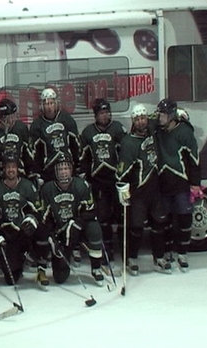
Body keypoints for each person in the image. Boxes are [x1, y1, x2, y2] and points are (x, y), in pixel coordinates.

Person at [115, 104, 171, 275]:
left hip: (155, 190)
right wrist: (123, 190)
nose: (141, 122)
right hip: (139, 192)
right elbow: (121, 172)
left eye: (143, 118)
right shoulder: (129, 143)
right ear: (133, 121)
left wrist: (180, 115)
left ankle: (159, 258)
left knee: (158, 224)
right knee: (136, 227)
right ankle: (132, 258)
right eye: (137, 119)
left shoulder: (152, 129)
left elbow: (161, 116)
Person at [38, 152, 105, 286]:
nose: (63, 172)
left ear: (71, 169)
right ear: (55, 171)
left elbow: (91, 210)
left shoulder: (82, 185)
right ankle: (46, 267)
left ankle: (96, 268)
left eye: (66, 168)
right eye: (60, 169)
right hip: (61, 232)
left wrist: (78, 222)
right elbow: (44, 217)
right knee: (60, 277)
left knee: (94, 228)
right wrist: (52, 236)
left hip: (78, 229)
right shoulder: (47, 189)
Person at [0, 152, 49, 290]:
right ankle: (20, 258)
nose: (11, 170)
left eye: (13, 167)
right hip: (9, 236)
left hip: (25, 232)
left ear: (18, 168)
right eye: (8, 167)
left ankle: (41, 268)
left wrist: (31, 220)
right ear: (3, 168)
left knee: (43, 230)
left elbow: (37, 211)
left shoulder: (27, 186)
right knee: (11, 279)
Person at [155, 99, 202, 272]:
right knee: (165, 220)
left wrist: (195, 183)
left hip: (181, 183)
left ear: (173, 115)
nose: (160, 117)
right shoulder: (158, 131)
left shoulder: (184, 132)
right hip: (163, 183)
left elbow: (194, 160)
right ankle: (168, 252)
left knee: (184, 218)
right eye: (159, 113)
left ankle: (182, 253)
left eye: (163, 114)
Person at [79, 98, 126, 272]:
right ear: (96, 115)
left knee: (122, 217)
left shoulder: (118, 129)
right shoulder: (88, 132)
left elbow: (126, 153)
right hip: (98, 182)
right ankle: (108, 253)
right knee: (103, 219)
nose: (104, 116)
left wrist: (125, 176)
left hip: (116, 180)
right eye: (101, 113)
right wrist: (85, 177)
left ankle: (125, 253)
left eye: (107, 112)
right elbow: (83, 158)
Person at [29, 88, 80, 185]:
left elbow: (76, 145)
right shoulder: (36, 125)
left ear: (56, 103)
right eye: (46, 104)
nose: (49, 107)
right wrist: (37, 173)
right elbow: (35, 153)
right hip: (48, 170)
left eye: (51, 103)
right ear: (42, 106)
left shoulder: (67, 119)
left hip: (67, 168)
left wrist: (78, 165)